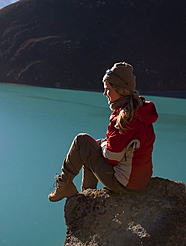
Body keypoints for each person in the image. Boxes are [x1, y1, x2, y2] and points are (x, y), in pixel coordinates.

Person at [48, 62, 158, 202]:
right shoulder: (140, 110)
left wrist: (101, 146)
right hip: (139, 180)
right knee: (92, 147)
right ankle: (88, 194)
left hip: (125, 184)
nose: (105, 93)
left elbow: (112, 157)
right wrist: (101, 145)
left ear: (120, 89)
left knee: (82, 141)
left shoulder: (125, 119)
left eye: (108, 89)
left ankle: (65, 185)